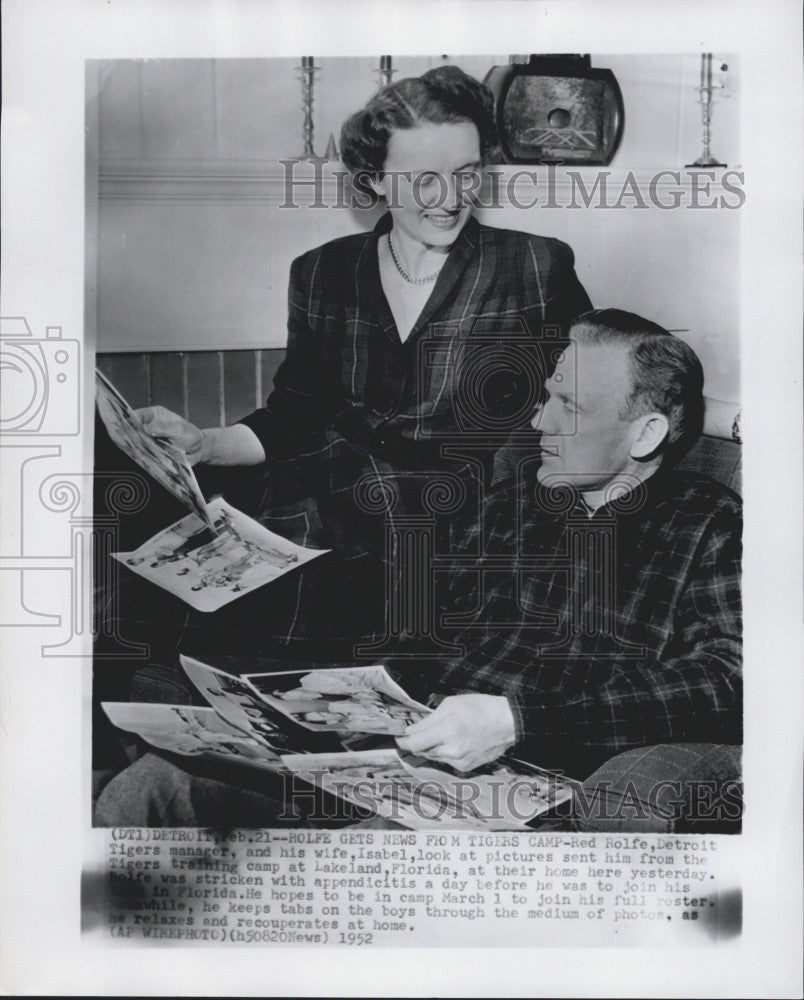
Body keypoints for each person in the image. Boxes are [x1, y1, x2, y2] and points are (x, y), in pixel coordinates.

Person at [95, 309, 742, 831]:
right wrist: (324, 700)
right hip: (395, 755)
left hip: (520, 788)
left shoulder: (708, 526)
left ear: (646, 434)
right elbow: (416, 624)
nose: (539, 420)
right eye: (548, 396)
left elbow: (728, 680)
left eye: (569, 407)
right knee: (156, 788)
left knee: (373, 857)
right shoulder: (518, 501)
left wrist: (520, 719)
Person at [98, 65, 593, 663]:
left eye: (467, 174)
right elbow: (294, 414)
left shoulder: (534, 268)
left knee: (260, 608)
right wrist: (202, 443)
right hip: (328, 490)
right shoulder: (322, 271)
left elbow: (592, 394)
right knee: (130, 505)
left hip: (457, 523)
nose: (450, 198)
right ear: (375, 181)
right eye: (423, 179)